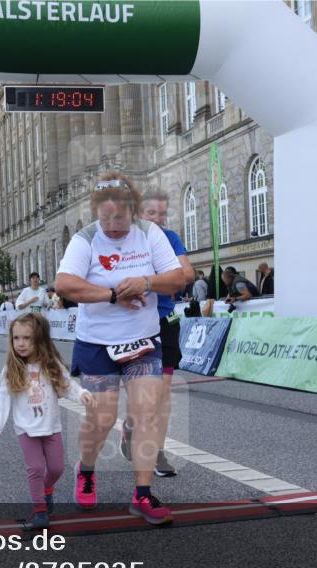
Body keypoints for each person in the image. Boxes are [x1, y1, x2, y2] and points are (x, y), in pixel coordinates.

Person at [54, 171, 186, 524]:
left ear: (134, 210)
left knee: (146, 413)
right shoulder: (85, 240)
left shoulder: (149, 233)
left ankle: (142, 495)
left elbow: (178, 278)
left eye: (121, 218)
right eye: (106, 218)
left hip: (143, 341)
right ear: (96, 212)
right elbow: (65, 285)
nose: (113, 226)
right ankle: (86, 469)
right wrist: (114, 294)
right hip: (97, 342)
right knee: (102, 418)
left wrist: (145, 281)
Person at [0, 313, 95, 530]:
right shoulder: (12, 368)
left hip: (51, 426)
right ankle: (39, 509)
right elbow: (3, 396)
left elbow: (66, 384)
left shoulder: (50, 364)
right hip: (26, 428)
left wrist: (81, 394)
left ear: (40, 340)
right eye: (16, 338)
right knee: (35, 468)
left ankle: (47, 490)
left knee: (56, 469)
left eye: (27, 338)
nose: (21, 343)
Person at [117, 188, 194, 477]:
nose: (159, 219)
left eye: (163, 213)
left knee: (161, 395)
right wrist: (164, 277)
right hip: (136, 323)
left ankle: (157, 451)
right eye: (152, 213)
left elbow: (186, 275)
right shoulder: (128, 241)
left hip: (166, 320)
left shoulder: (171, 238)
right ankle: (130, 426)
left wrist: (147, 280)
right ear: (139, 214)